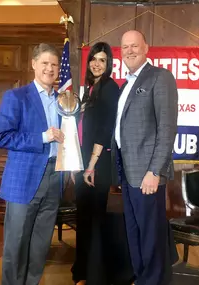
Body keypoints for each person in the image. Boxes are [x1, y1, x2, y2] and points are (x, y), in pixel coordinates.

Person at [0, 43, 64, 285]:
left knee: (41, 243)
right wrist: (42, 137)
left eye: (54, 64)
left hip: (55, 177)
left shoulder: (64, 101)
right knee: (16, 244)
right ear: (33, 64)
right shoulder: (16, 97)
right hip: (23, 180)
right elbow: (1, 137)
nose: (50, 68)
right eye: (45, 63)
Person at [112, 30, 179, 285]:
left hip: (147, 175)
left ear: (146, 48)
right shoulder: (126, 84)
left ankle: (154, 281)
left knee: (151, 235)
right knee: (134, 231)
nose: (129, 50)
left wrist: (155, 172)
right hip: (128, 173)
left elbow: (166, 129)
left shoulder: (160, 78)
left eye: (134, 46)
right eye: (125, 47)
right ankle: (142, 278)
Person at [71, 42, 119, 285]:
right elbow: (81, 130)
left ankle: (94, 274)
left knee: (94, 220)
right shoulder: (90, 88)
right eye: (94, 59)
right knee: (83, 219)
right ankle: (82, 271)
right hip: (83, 161)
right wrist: (75, 163)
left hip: (97, 164)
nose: (97, 63)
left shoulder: (110, 88)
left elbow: (104, 130)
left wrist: (90, 166)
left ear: (108, 64)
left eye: (102, 60)